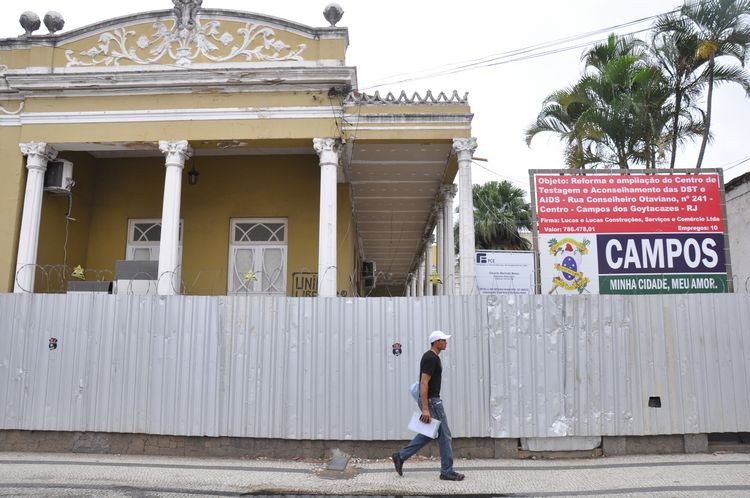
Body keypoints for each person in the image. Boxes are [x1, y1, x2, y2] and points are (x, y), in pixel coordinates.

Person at [392, 330, 464, 481]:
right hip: (432, 401)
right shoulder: (431, 358)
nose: (446, 342)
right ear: (436, 342)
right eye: (443, 340)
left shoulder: (432, 357)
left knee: (427, 433)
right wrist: (425, 408)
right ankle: (446, 471)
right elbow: (424, 382)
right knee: (445, 436)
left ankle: (400, 456)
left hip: (431, 400)